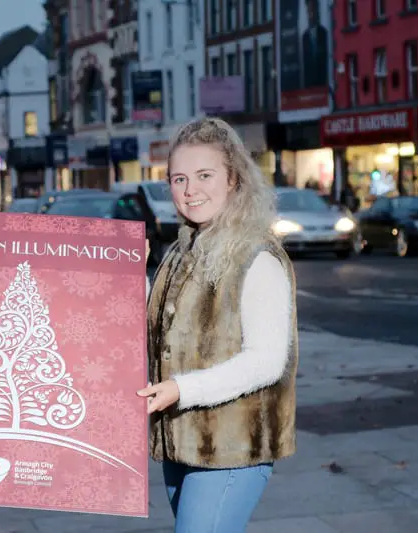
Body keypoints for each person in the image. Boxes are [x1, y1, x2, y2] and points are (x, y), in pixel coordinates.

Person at [137, 117, 298, 533]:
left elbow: (266, 361)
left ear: (232, 179)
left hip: (232, 447)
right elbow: (156, 330)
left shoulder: (256, 257)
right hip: (181, 442)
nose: (190, 190)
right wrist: (128, 278)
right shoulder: (179, 252)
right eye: (179, 178)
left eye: (205, 175)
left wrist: (181, 390)